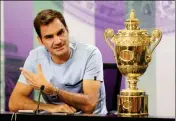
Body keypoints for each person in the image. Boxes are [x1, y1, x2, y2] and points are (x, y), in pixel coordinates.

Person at [9, 9, 107, 114]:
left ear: (67, 30)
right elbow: (14, 103)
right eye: (49, 37)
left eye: (60, 33)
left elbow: (90, 105)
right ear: (41, 41)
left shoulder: (90, 54)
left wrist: (53, 91)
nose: (58, 41)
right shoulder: (35, 57)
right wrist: (51, 108)